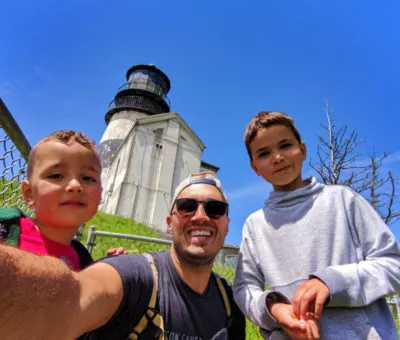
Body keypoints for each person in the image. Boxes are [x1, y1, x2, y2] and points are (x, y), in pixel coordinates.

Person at [0, 171, 246, 339]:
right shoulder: (135, 276)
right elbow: (73, 296)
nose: (200, 216)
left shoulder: (231, 304)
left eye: (215, 209)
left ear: (226, 225)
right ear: (170, 223)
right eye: (187, 207)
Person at [233, 110, 400, 339]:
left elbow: (393, 264)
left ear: (302, 150)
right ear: (255, 167)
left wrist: (333, 283)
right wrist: (275, 308)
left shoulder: (343, 199)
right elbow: (244, 289)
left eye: (285, 145)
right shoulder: (255, 225)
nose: (278, 157)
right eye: (264, 153)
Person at [0, 129, 125, 270]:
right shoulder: (5, 226)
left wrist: (104, 268)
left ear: (100, 195)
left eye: (88, 178)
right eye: (56, 176)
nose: (75, 186)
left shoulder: (83, 261)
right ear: (29, 193)